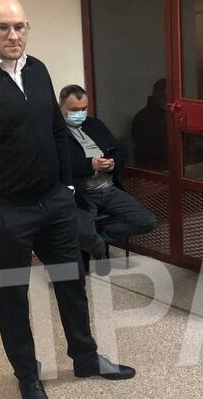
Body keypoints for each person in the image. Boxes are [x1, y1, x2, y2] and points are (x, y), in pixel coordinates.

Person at [0, 0, 134, 399]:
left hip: (53, 204)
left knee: (71, 281)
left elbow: (57, 131)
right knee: (13, 296)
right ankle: (27, 374)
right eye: (3, 27)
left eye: (20, 26)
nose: (14, 35)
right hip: (6, 214)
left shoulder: (38, 70)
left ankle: (86, 358)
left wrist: (67, 187)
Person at [59, 84, 156, 275]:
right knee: (82, 235)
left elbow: (120, 150)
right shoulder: (55, 132)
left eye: (84, 109)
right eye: (74, 110)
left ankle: (102, 240)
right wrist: (90, 165)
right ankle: (95, 246)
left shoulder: (95, 125)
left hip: (108, 188)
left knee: (147, 221)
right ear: (61, 107)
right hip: (80, 194)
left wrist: (113, 163)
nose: (80, 114)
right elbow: (57, 167)